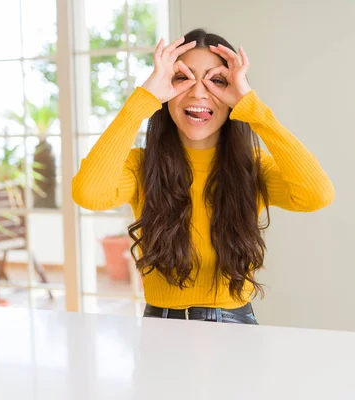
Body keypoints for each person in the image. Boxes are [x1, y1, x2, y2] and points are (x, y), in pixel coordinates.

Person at [72, 28, 334, 324]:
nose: (198, 92)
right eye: (182, 78)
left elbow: (317, 195)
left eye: (217, 81)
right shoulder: (141, 165)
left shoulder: (254, 167)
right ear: (164, 91)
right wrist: (141, 102)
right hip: (159, 326)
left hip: (234, 325)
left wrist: (254, 109)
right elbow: (88, 194)